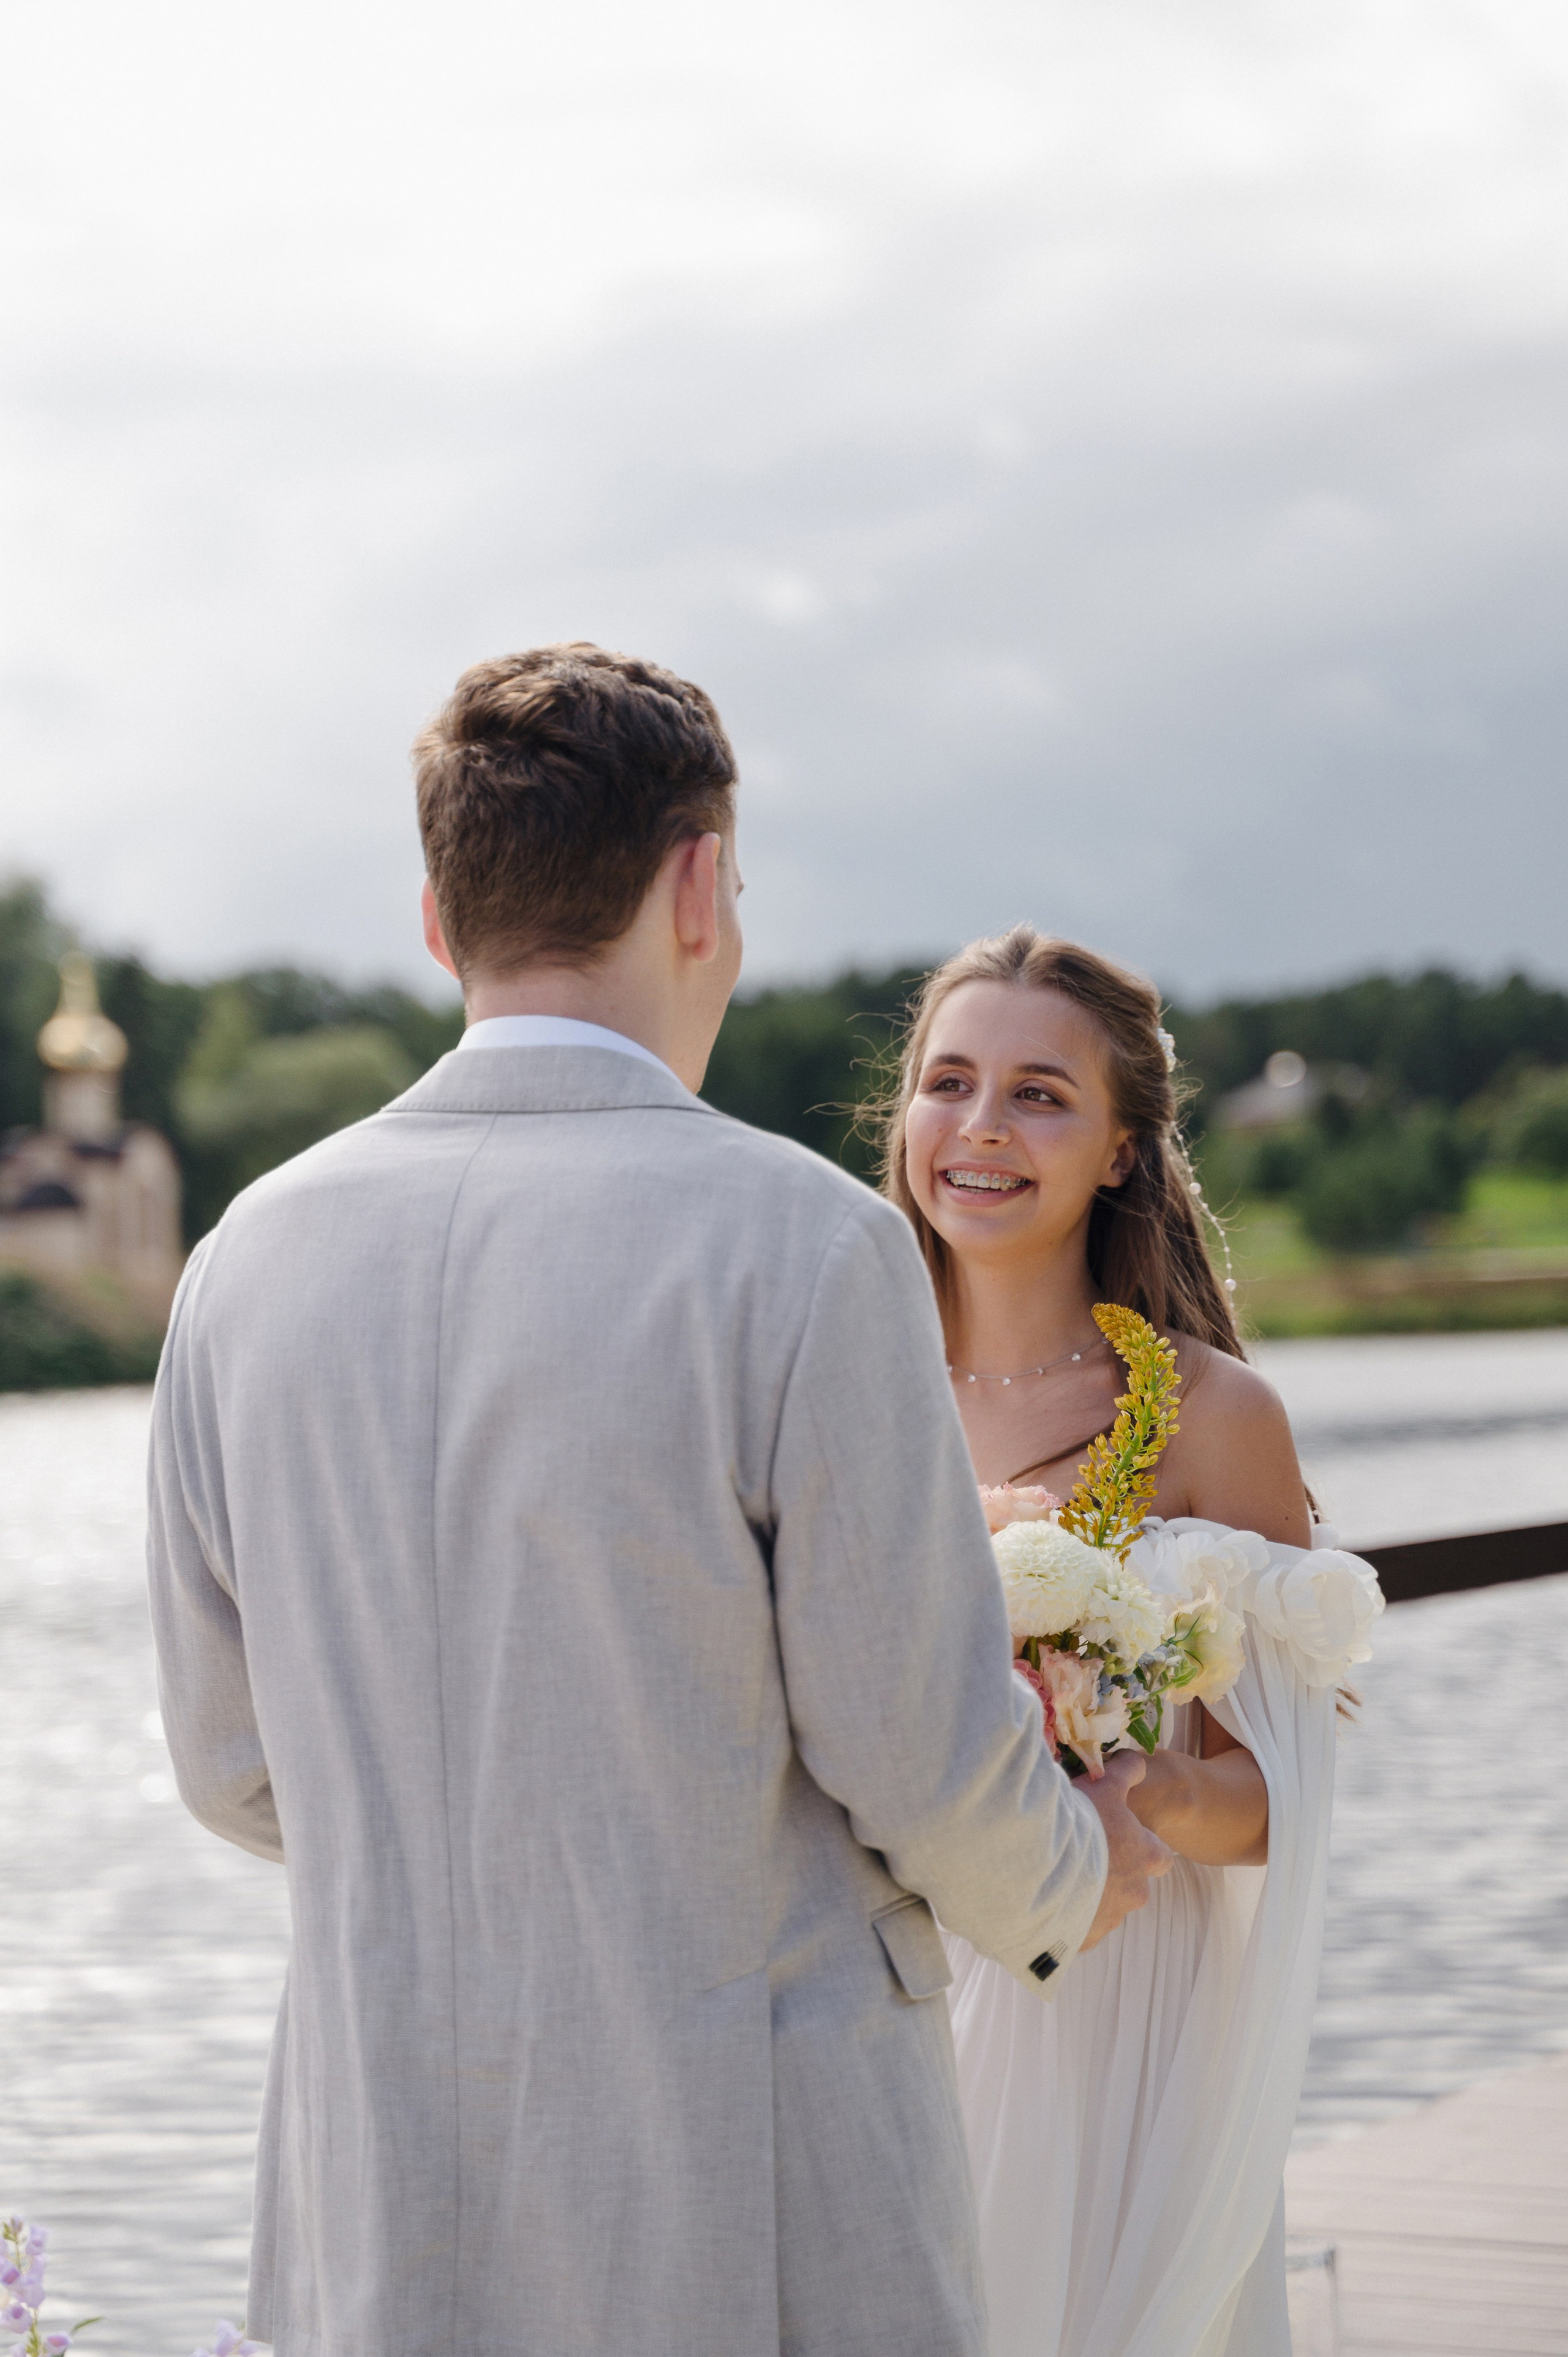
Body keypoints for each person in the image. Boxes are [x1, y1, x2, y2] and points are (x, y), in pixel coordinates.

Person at [146, 646, 1169, 2357]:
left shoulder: (241, 1264)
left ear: (436, 918)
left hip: (373, 2185)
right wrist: (1080, 1871)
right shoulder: (803, 1244)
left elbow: (228, 1763)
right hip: (752, 2195)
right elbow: (915, 1750)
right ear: (699, 884)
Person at [877, 924, 1383, 2357]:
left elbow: (1276, 1800)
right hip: (882, 1998)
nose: (978, 1127)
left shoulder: (1215, 1418)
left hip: (1114, 2021)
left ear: (1115, 1148)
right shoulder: (835, 1384)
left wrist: (1128, 1777)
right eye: (947, 1082)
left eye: (1038, 1094)